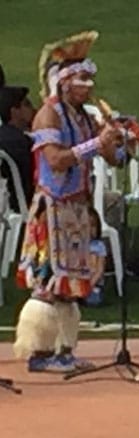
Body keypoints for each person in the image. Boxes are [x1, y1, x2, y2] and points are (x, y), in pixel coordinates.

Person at [13, 32, 124, 373]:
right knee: (48, 279)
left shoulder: (85, 117)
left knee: (69, 282)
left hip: (77, 207)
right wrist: (96, 144)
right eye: (81, 80)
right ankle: (39, 354)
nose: (88, 87)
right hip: (53, 207)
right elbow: (57, 160)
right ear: (62, 83)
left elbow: (113, 158)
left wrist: (118, 143)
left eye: (90, 80)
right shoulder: (48, 116)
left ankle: (63, 351)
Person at [0, 85, 35, 210]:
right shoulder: (23, 143)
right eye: (27, 104)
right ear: (14, 111)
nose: (32, 108)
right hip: (20, 208)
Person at [84, 206, 106, 307]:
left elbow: (100, 270)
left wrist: (90, 284)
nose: (90, 229)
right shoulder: (76, 245)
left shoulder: (99, 246)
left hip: (93, 283)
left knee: (93, 300)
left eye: (93, 226)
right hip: (79, 280)